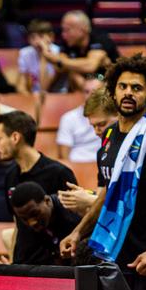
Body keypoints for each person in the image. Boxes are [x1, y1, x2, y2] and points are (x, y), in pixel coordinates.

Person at [61, 54, 146, 290]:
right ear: (113, 91)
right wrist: (78, 233)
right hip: (116, 255)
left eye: (137, 88)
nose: (128, 93)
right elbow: (106, 193)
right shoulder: (109, 139)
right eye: (123, 86)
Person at [0, 110, 77, 267]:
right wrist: (12, 261)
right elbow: (17, 224)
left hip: (55, 269)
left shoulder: (59, 173)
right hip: (23, 265)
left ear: (15, 137)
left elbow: (74, 224)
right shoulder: (10, 175)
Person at [57, 84, 119, 215]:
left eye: (101, 124)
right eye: (93, 126)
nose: (97, 132)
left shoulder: (137, 148)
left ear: (119, 115)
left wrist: (90, 200)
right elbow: (101, 192)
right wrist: (84, 196)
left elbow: (132, 201)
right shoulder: (102, 152)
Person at [40, 11, 119, 92]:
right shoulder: (68, 43)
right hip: (84, 82)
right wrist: (45, 56)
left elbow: (90, 66)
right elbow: (59, 68)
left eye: (67, 30)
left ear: (82, 29)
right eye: (63, 30)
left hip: (104, 78)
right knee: (74, 73)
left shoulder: (99, 38)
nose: (63, 35)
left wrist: (59, 60)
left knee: (94, 82)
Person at [9, 181, 81, 265]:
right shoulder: (25, 217)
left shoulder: (73, 211)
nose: (32, 222)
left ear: (47, 201)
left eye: (35, 214)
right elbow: (23, 262)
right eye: (25, 219)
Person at [56, 75, 105, 162]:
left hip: (103, 164)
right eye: (86, 91)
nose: (90, 96)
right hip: (76, 164)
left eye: (94, 92)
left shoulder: (111, 117)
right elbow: (64, 156)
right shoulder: (68, 118)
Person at [16, 19, 61, 95]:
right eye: (33, 37)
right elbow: (21, 85)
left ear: (51, 37)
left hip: (56, 96)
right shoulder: (24, 53)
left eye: (41, 36)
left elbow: (45, 87)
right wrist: (27, 97)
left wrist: (44, 55)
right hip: (34, 96)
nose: (36, 42)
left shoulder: (58, 53)